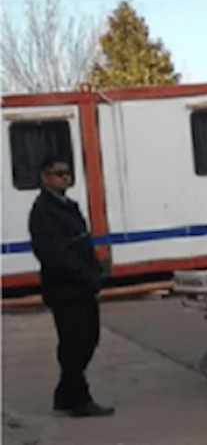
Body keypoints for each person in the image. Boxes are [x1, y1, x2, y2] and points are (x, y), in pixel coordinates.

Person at [28, 154, 115, 418]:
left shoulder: (69, 206)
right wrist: (83, 274)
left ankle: (65, 395)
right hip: (65, 290)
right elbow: (53, 253)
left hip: (82, 287)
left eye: (68, 173)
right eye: (59, 173)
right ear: (45, 177)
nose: (66, 178)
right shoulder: (43, 211)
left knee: (89, 338)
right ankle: (79, 399)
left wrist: (97, 267)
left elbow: (80, 241)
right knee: (74, 343)